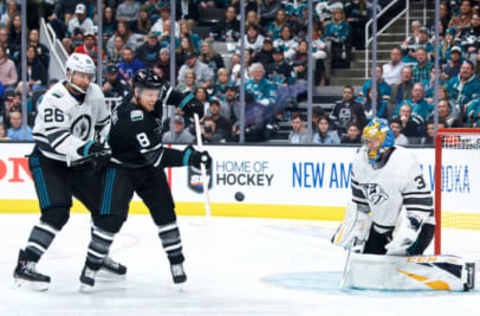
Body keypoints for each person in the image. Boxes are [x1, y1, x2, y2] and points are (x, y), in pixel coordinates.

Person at [78, 69, 211, 288]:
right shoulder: (133, 117)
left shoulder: (152, 95)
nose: (154, 98)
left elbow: (172, 94)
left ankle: (177, 263)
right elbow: (157, 157)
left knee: (166, 212)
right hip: (120, 167)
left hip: (146, 167)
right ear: (136, 92)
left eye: (155, 93)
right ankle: (92, 266)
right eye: (149, 94)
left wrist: (190, 102)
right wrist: (191, 157)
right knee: (111, 219)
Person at [13, 53, 123, 291]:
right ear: (69, 74)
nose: (84, 81)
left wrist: (102, 144)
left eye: (88, 76)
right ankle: (25, 265)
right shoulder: (53, 99)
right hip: (48, 161)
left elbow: (103, 124)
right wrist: (90, 148)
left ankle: (99, 256)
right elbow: (58, 139)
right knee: (57, 211)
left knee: (106, 208)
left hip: (78, 162)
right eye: (80, 75)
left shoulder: (94, 93)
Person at [332, 118, 435, 256]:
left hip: (417, 224)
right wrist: (356, 229)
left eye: (373, 140)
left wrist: (405, 235)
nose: (368, 145)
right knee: (368, 263)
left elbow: (421, 205)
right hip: (381, 225)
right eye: (367, 140)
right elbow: (360, 204)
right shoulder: (359, 161)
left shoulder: (404, 160)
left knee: (397, 263)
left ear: (386, 140)